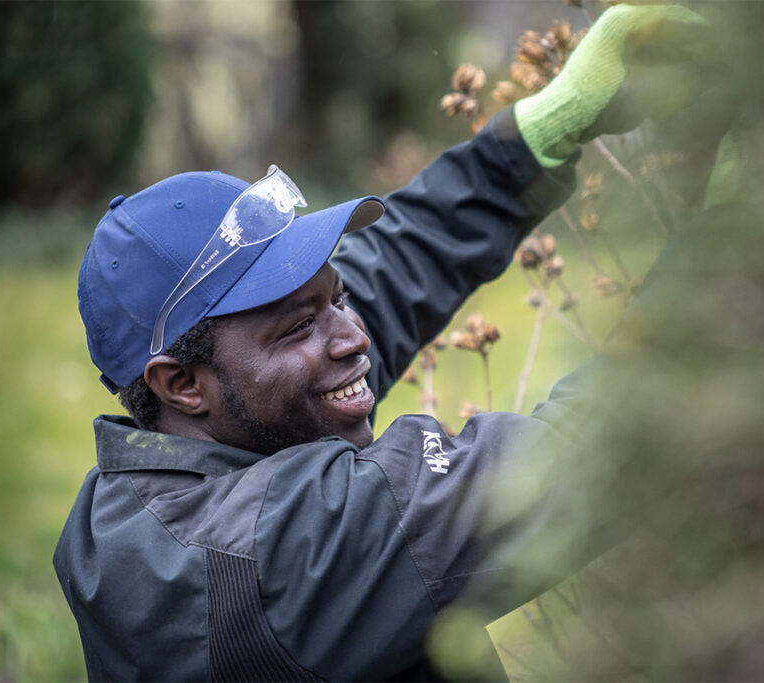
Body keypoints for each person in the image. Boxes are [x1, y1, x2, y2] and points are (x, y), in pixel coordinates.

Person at [54, 5, 713, 680]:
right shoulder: (276, 553)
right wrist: (737, 239)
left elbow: (386, 273)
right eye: (300, 325)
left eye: (334, 299)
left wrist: (536, 136)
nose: (354, 332)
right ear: (181, 384)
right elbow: (578, 456)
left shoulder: (145, 492)